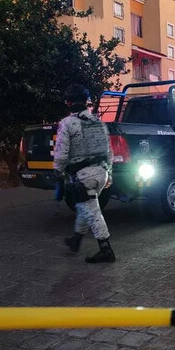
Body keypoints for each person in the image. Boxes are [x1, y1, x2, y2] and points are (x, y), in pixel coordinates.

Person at [54, 84, 115, 263]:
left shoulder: (67, 123)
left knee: (92, 211)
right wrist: (109, 174)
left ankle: (106, 249)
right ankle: (76, 239)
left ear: (69, 102)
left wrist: (58, 172)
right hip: (101, 172)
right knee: (85, 206)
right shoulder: (99, 122)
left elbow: (61, 153)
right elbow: (109, 151)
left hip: (84, 176)